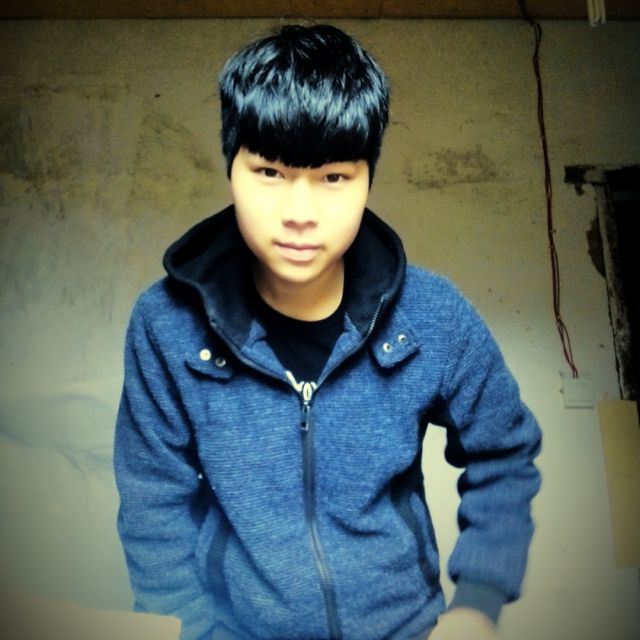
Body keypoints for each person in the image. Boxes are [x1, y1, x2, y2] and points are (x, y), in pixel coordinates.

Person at [114, 24, 542, 640]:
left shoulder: (432, 313)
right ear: (231, 168)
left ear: (368, 178)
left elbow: (504, 452)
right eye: (269, 172)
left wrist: (477, 602)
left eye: (334, 178)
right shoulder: (165, 324)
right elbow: (153, 504)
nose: (300, 214)